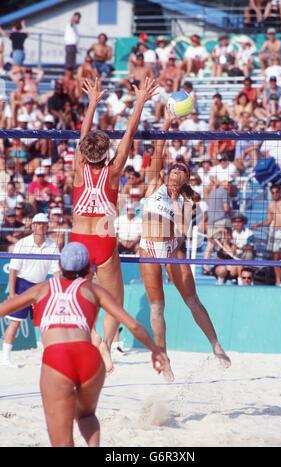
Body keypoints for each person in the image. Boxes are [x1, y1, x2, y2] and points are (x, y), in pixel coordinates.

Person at [0, 242, 166, 446]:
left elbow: (3, 309)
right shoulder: (94, 290)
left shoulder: (42, 289)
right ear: (89, 268)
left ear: (60, 267)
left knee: (62, 442)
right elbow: (133, 325)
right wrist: (156, 350)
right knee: (87, 416)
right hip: (89, 358)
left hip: (57, 358)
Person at [71, 77, 158, 372]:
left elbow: (83, 134)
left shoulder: (79, 170)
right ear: (106, 153)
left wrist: (93, 102)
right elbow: (130, 133)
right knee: (114, 302)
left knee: (77, 297)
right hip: (104, 239)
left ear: (84, 152)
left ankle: (92, 335)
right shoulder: (114, 171)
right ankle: (105, 346)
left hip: (78, 240)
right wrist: (140, 102)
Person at [139, 109, 231, 382]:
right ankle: (164, 358)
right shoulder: (155, 183)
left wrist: (176, 238)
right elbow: (158, 151)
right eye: (175, 167)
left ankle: (216, 345)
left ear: (186, 178)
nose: (176, 169)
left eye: (182, 168)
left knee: (192, 300)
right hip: (148, 248)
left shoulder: (184, 202)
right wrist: (166, 122)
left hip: (170, 249)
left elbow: (182, 230)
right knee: (157, 307)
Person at [1, 213, 60, 367]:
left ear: (47, 227)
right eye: (37, 223)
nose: (40, 226)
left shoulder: (52, 245)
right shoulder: (23, 243)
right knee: (14, 323)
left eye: (43, 224)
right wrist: (13, 293)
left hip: (40, 286)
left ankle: (47, 358)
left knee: (45, 324)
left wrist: (58, 291)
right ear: (32, 226)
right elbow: (13, 270)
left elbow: (56, 272)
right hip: (23, 284)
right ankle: (5, 358)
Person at [252, 185, 281, 285]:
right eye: (273, 192)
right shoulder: (271, 205)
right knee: (275, 257)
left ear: (280, 192)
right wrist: (259, 224)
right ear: (271, 194)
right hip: (275, 232)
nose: (275, 194)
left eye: (277, 192)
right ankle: (278, 280)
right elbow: (269, 220)